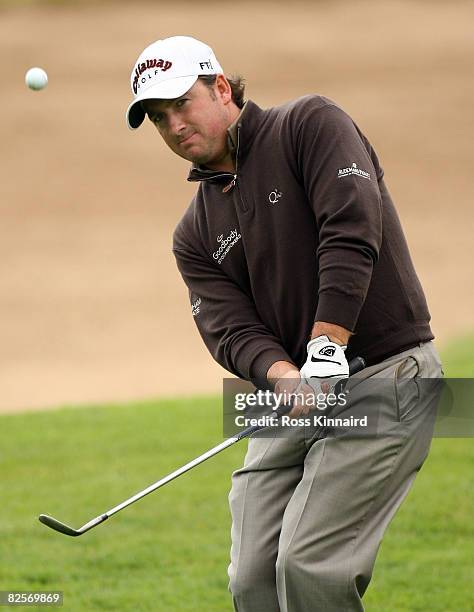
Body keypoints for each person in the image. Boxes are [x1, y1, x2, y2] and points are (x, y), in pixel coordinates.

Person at [126, 35, 443, 611]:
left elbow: (350, 227)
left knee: (307, 565)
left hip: (390, 375)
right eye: (158, 117)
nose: (174, 126)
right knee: (252, 576)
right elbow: (229, 329)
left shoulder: (308, 126)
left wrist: (327, 348)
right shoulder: (194, 234)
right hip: (295, 395)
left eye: (182, 104)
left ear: (221, 88)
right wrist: (283, 376)